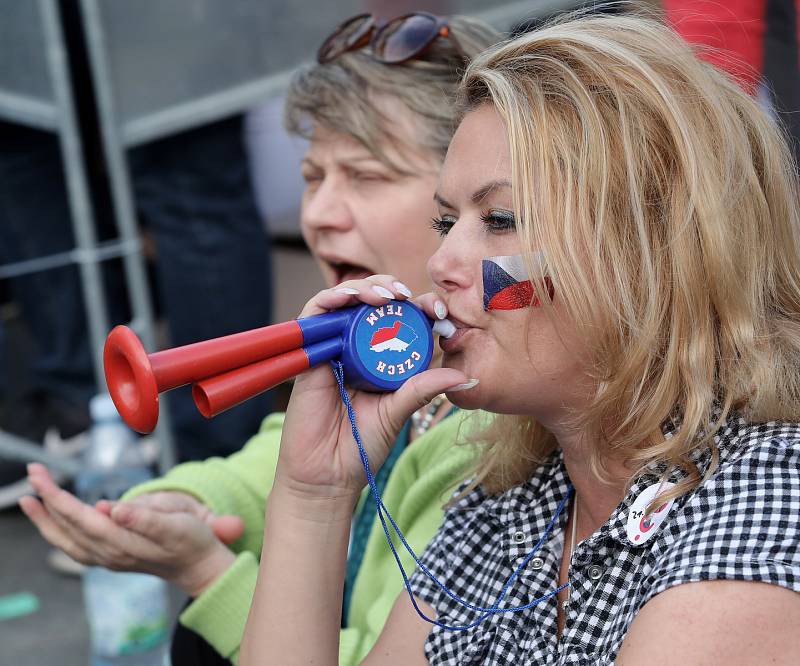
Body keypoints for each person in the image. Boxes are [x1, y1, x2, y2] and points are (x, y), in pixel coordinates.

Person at [238, 13, 800, 665]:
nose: (444, 261)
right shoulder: (513, 499)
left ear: (654, 252)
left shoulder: (768, 489)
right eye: (446, 221)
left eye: (500, 219)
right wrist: (315, 495)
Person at [19, 12, 501, 665]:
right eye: (312, 177)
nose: (319, 215)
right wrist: (170, 506)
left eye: (365, 177)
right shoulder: (375, 360)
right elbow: (262, 469)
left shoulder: (491, 422)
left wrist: (207, 575)